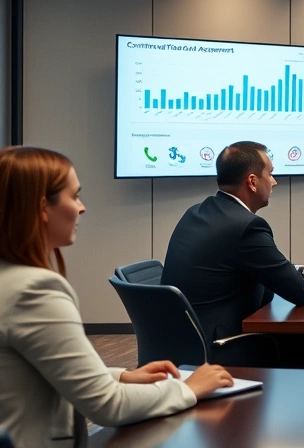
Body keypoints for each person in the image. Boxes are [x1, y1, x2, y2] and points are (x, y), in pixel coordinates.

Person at [0, 146, 234, 448]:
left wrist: (120, 376)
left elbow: (32, 371)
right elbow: (108, 406)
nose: (82, 208)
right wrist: (189, 388)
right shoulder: (34, 291)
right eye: (74, 196)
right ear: (43, 208)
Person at [161, 141, 304, 363]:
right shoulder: (245, 226)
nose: (274, 181)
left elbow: (244, 268)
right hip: (220, 347)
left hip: (180, 342)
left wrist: (300, 271)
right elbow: (301, 293)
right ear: (252, 181)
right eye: (270, 173)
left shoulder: (196, 213)